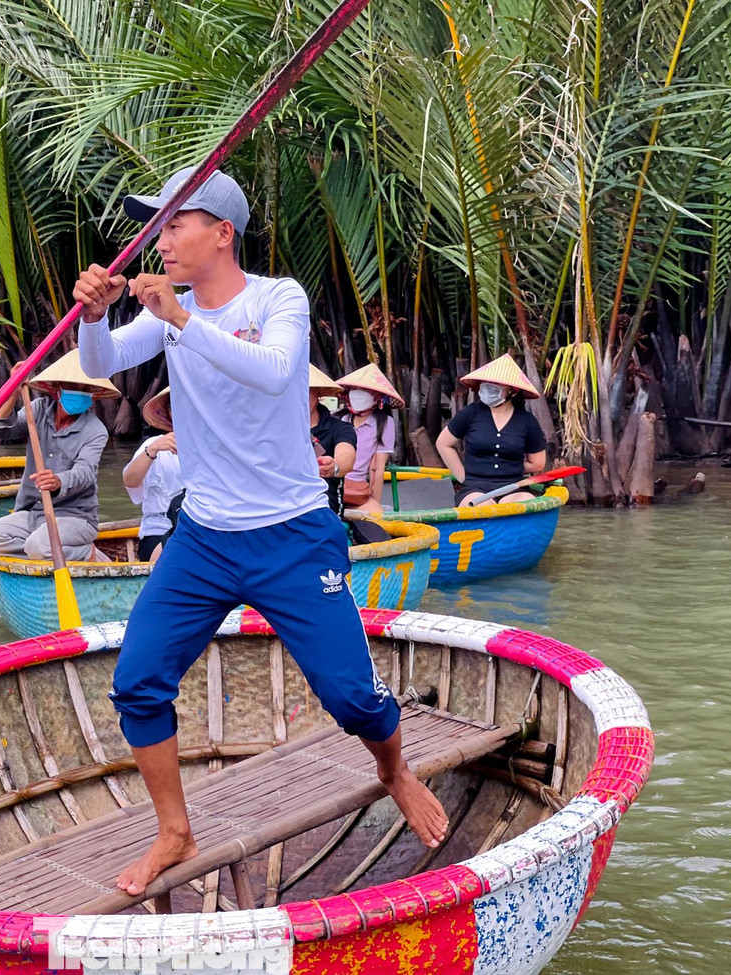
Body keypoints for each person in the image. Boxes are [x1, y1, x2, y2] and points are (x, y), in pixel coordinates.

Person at [74, 165, 448, 896]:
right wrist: (94, 315)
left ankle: (394, 768)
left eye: (175, 222)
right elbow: (103, 362)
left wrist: (183, 322)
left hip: (293, 534)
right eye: (157, 224)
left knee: (353, 700)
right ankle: (174, 830)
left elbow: (277, 373)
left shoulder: (278, 298)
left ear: (222, 233)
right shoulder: (167, 309)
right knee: (138, 682)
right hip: (204, 539)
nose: (161, 236)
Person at [0, 350, 116, 562]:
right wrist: (13, 391)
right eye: (75, 387)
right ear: (57, 389)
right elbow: (1, 431)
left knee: (38, 546)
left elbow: (85, 472)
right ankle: (44, 553)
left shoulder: (96, 430)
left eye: (87, 389)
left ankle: (85, 553)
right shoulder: (38, 410)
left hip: (75, 516)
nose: (82, 393)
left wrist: (59, 480)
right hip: (34, 511)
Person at [436, 354, 547, 505]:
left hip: (513, 487)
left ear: (513, 391)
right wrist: (463, 477)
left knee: (521, 506)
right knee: (482, 507)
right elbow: (443, 444)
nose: (489, 387)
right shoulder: (471, 413)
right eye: (486, 383)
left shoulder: (527, 421)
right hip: (474, 486)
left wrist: (508, 466)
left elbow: (538, 463)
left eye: (496, 384)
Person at [122, 386, 184, 562]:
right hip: (158, 531)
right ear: (170, 412)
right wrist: (154, 449)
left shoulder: (211, 447)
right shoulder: (153, 445)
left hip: (200, 529)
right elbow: (130, 481)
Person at [337, 364, 404, 513]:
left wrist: (375, 502)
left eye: (365, 391)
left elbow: (378, 467)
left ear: (377, 397)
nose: (358, 394)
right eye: (355, 390)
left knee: (377, 517)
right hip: (333, 482)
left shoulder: (385, 423)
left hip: (357, 488)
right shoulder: (340, 419)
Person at [307, 365, 356, 521]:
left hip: (324, 506)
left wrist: (334, 466)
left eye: (306, 390)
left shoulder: (340, 428)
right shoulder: (275, 428)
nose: (299, 396)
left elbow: (346, 457)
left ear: (318, 393)